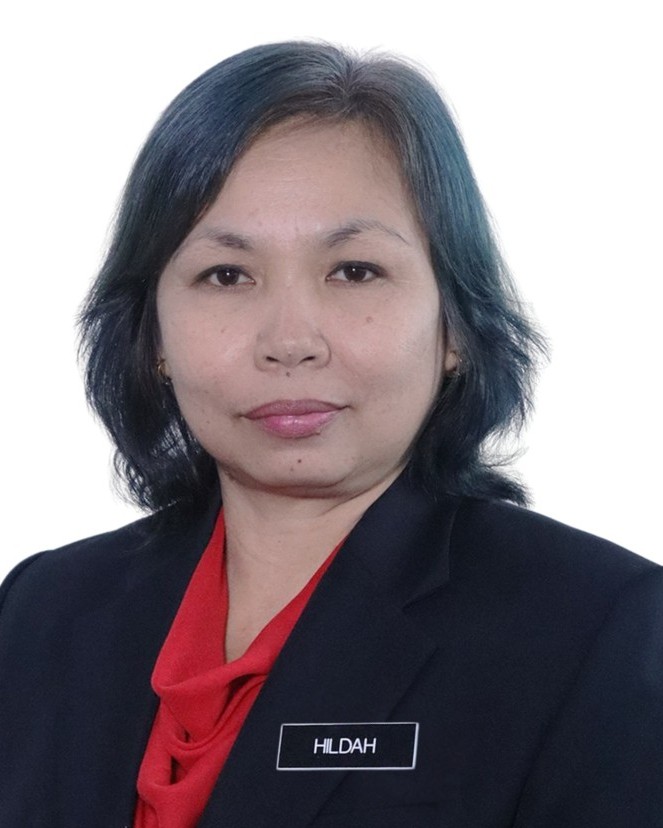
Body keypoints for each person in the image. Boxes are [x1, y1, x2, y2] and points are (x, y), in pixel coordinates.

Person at [0, 41, 661, 828]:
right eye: (226, 275)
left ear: (454, 324)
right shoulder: (42, 610)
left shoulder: (599, 627)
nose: (290, 341)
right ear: (153, 338)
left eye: (353, 271)